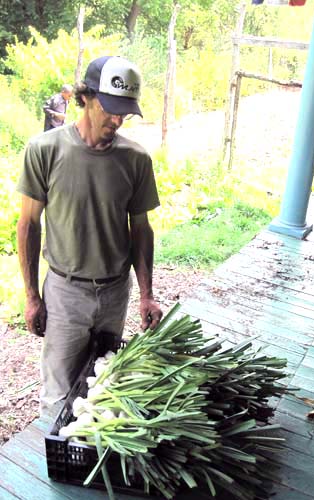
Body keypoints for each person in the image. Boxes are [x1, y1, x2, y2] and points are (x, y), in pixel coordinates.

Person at [16, 56, 163, 411]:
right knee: (59, 391)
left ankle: (90, 460)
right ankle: (55, 457)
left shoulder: (136, 159)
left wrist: (147, 294)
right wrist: (33, 296)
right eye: (111, 108)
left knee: (104, 382)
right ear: (86, 97)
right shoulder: (45, 150)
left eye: (124, 111)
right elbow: (28, 225)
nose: (117, 119)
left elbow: (140, 230)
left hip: (115, 290)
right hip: (66, 291)